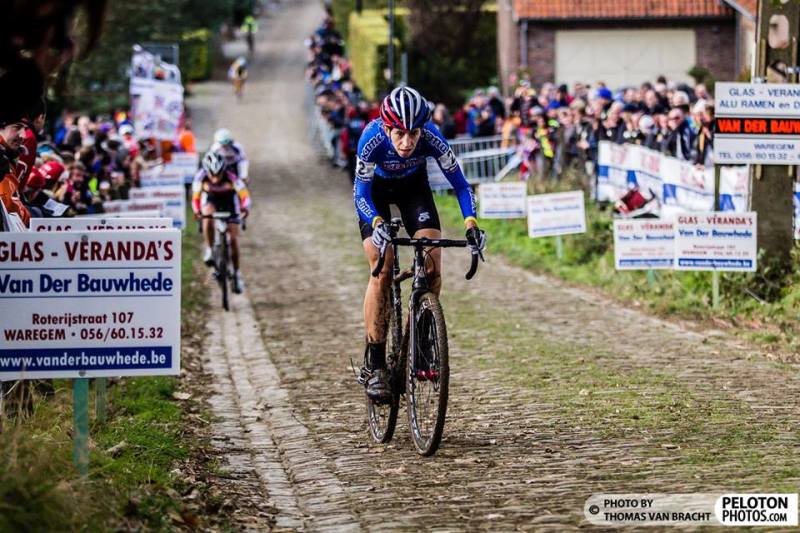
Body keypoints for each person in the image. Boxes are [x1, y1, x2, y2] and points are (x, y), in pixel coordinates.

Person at [353, 86, 486, 402]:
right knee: (382, 268)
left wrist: (471, 224)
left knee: (432, 265)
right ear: (387, 128)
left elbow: (461, 186)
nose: (407, 142)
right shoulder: (371, 139)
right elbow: (360, 194)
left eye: (413, 134)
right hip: (376, 195)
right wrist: (376, 223)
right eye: (399, 134)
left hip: (414, 189)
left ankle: (422, 342)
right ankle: (374, 362)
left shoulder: (432, 136)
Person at [192, 151, 251, 294]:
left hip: (229, 203)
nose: (215, 178)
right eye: (212, 174)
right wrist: (197, 211)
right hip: (212, 201)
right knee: (206, 214)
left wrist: (244, 207)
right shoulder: (200, 176)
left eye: (218, 174)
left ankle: (236, 274)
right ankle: (210, 249)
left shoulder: (231, 176)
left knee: (233, 239)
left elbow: (244, 195)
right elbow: (196, 198)